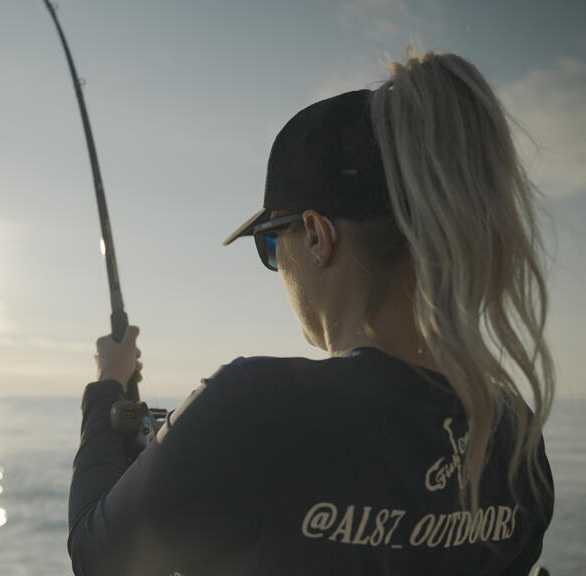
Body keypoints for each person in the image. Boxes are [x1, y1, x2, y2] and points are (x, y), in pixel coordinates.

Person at [67, 50, 555, 576]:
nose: (277, 269)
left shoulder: (250, 407)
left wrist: (107, 389)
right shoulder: (513, 435)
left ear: (318, 237)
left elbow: (98, 557)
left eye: (271, 247)